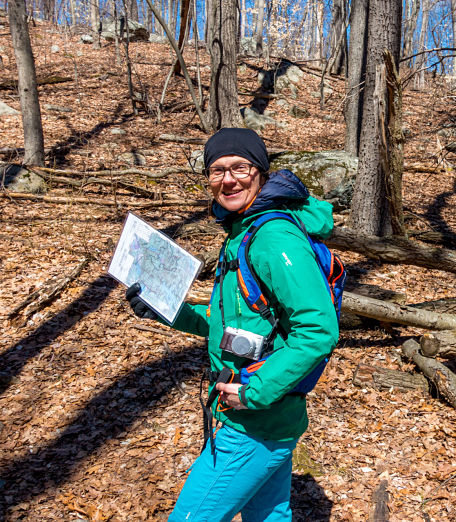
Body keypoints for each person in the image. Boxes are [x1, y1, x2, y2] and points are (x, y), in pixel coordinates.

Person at [125, 127, 339, 521]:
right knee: (268, 516)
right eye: (217, 170)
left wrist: (254, 391)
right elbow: (235, 323)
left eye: (240, 167)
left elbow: (319, 329)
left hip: (255, 421)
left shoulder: (273, 237)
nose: (228, 179)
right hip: (272, 417)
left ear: (260, 171)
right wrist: (168, 310)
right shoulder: (244, 230)